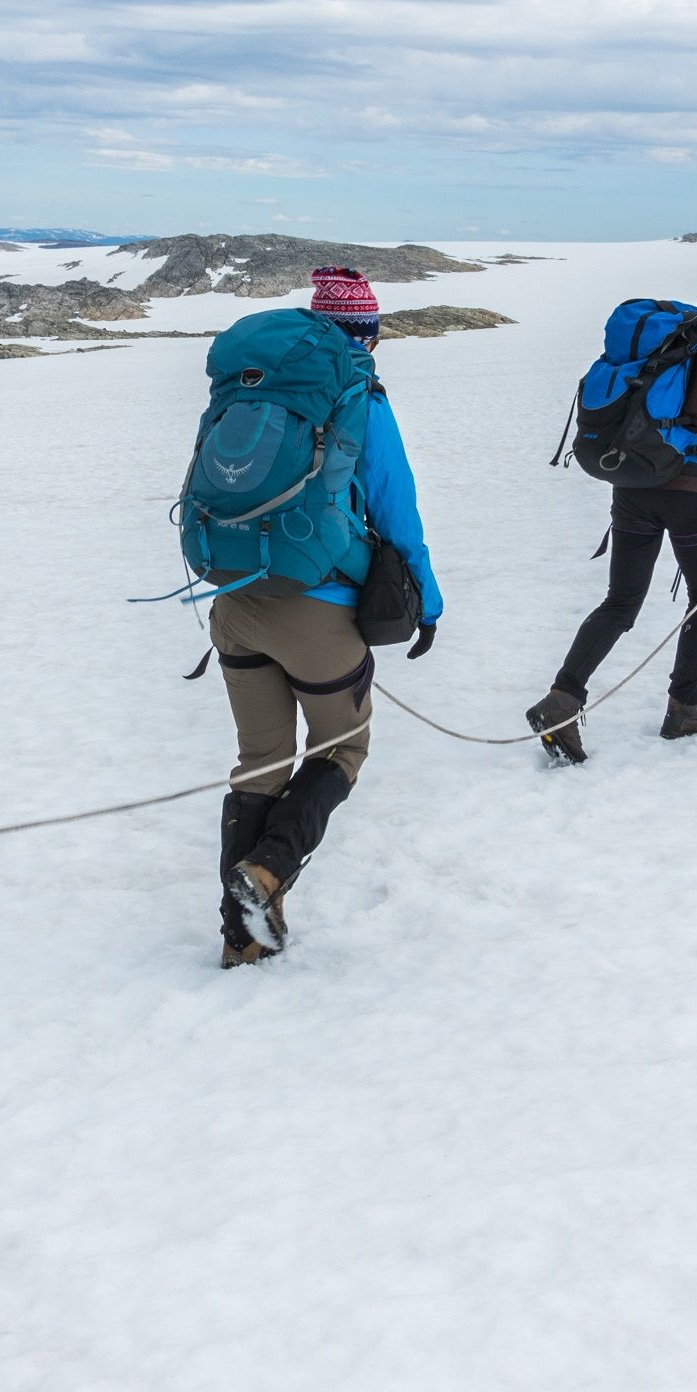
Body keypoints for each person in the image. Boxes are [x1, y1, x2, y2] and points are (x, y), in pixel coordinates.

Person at [212, 267, 444, 968]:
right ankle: (268, 872)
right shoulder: (361, 400)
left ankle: (241, 939)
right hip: (317, 612)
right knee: (341, 749)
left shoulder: (248, 389)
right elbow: (397, 512)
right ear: (367, 335)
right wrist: (426, 604)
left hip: (234, 602)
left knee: (261, 763)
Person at [527, 260, 697, 760]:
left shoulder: (673, 338)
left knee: (621, 601)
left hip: (633, 484)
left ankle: (563, 696)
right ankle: (686, 705)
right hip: (696, 494)